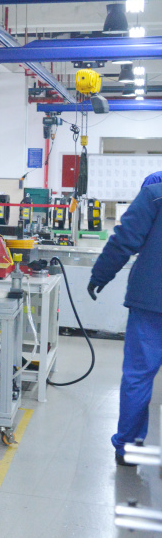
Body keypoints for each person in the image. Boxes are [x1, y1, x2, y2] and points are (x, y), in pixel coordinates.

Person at [88, 178, 162, 466]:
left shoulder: (154, 194)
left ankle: (128, 448)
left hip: (151, 300)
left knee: (138, 377)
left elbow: (124, 239)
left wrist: (101, 274)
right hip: (150, 301)